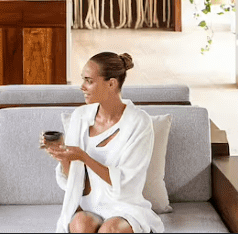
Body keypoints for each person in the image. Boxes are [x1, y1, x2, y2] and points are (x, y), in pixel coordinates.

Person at [45, 52, 163, 234]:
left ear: (111, 83)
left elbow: (127, 183)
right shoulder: (80, 117)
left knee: (111, 229)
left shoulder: (139, 123)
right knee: (80, 224)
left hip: (125, 206)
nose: (82, 87)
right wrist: (63, 157)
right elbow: (75, 182)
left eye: (89, 81)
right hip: (90, 205)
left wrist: (84, 157)